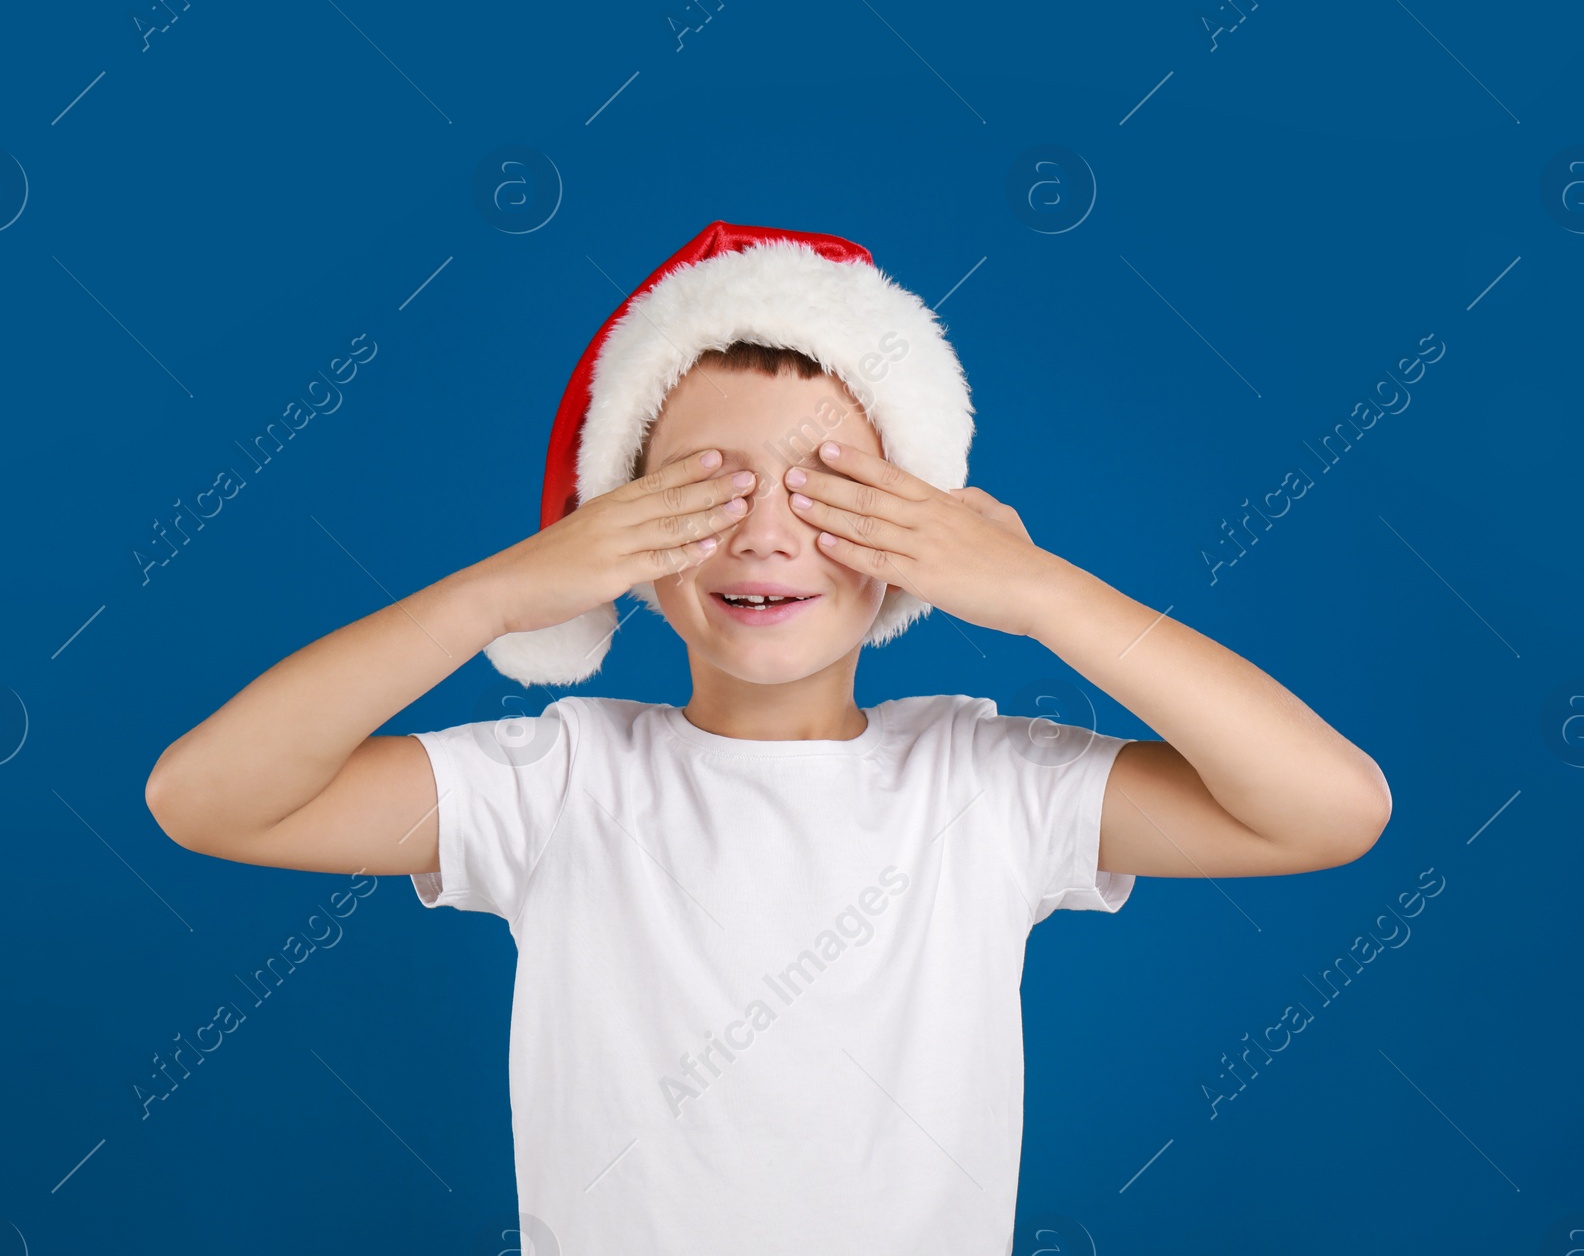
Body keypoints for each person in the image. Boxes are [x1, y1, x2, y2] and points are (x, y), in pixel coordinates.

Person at [144, 220, 1391, 1253]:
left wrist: (1043, 593)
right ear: (616, 526)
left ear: (917, 527)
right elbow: (209, 797)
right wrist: (502, 594)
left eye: (828, 486)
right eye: (705, 486)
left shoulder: (982, 782)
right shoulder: (562, 782)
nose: (764, 534)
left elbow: (1330, 807)